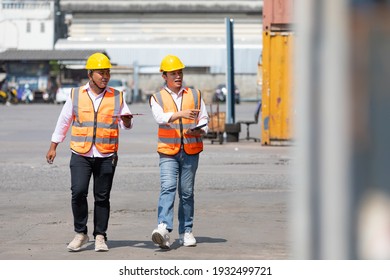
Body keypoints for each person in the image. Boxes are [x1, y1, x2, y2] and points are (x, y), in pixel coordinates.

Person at [46, 52, 133, 252]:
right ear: (90, 74)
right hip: (80, 153)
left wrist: (127, 121)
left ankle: (100, 236)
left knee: (102, 197)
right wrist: (53, 145)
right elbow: (64, 121)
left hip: (106, 154)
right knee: (78, 192)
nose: (105, 76)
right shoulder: (76, 95)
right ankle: (80, 233)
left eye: (107, 73)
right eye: (101, 73)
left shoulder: (117, 96)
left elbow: (125, 122)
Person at [149, 54, 209, 249]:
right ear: (164, 76)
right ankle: (163, 228)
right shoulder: (157, 98)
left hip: (191, 150)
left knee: (186, 192)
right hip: (168, 151)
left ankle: (186, 231)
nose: (178, 76)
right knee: (167, 188)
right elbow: (160, 118)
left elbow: (204, 120)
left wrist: (200, 129)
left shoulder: (195, 94)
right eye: (173, 73)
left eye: (180, 72)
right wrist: (180, 114)